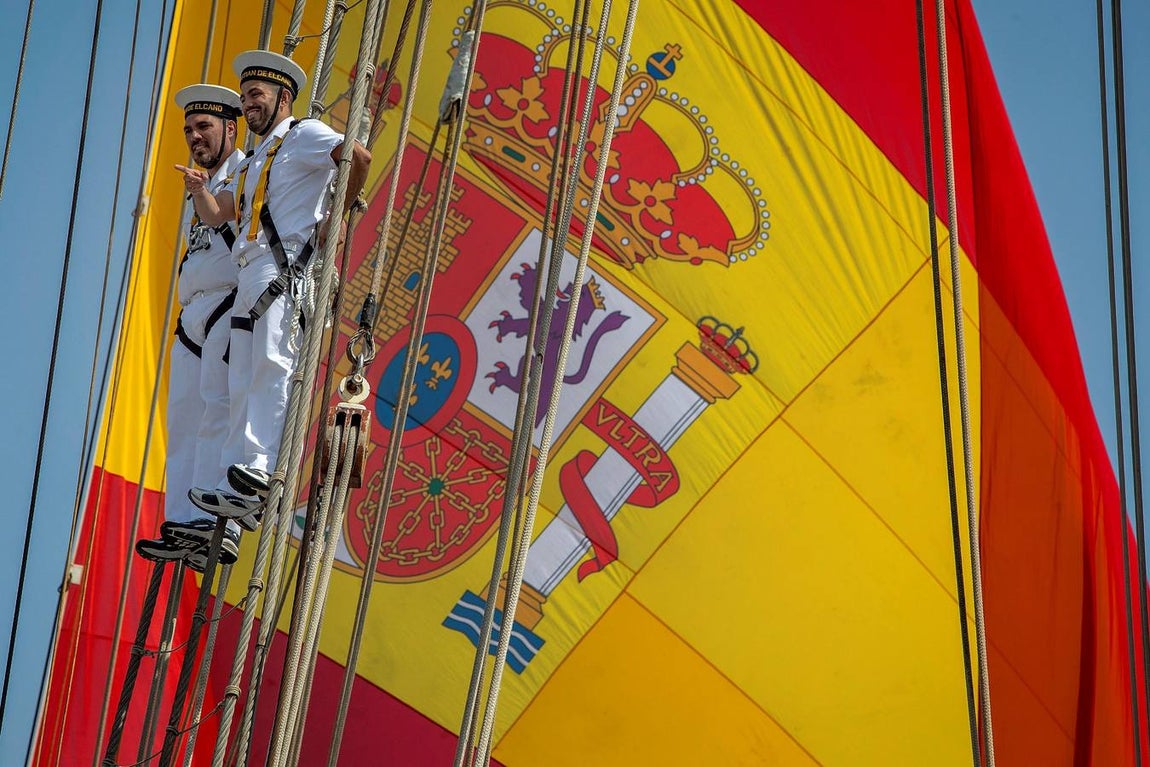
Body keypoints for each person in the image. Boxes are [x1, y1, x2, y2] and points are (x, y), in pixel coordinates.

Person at [176, 50, 371, 533]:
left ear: (284, 98)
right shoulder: (256, 159)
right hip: (250, 270)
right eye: (244, 98)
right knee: (239, 376)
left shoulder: (304, 135)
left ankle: (261, 467)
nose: (248, 106)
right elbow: (220, 214)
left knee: (269, 363)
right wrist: (201, 188)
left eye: (256, 96)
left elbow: (357, 155)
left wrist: (338, 218)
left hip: (282, 267)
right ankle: (239, 474)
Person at [136, 84, 246, 568]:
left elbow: (238, 234)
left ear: (230, 126)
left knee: (220, 412)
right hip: (193, 313)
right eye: (188, 130)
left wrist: (204, 193)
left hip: (230, 303)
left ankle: (218, 521)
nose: (194, 136)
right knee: (183, 418)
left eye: (204, 127)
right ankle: (182, 520)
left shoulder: (250, 171)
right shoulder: (199, 181)